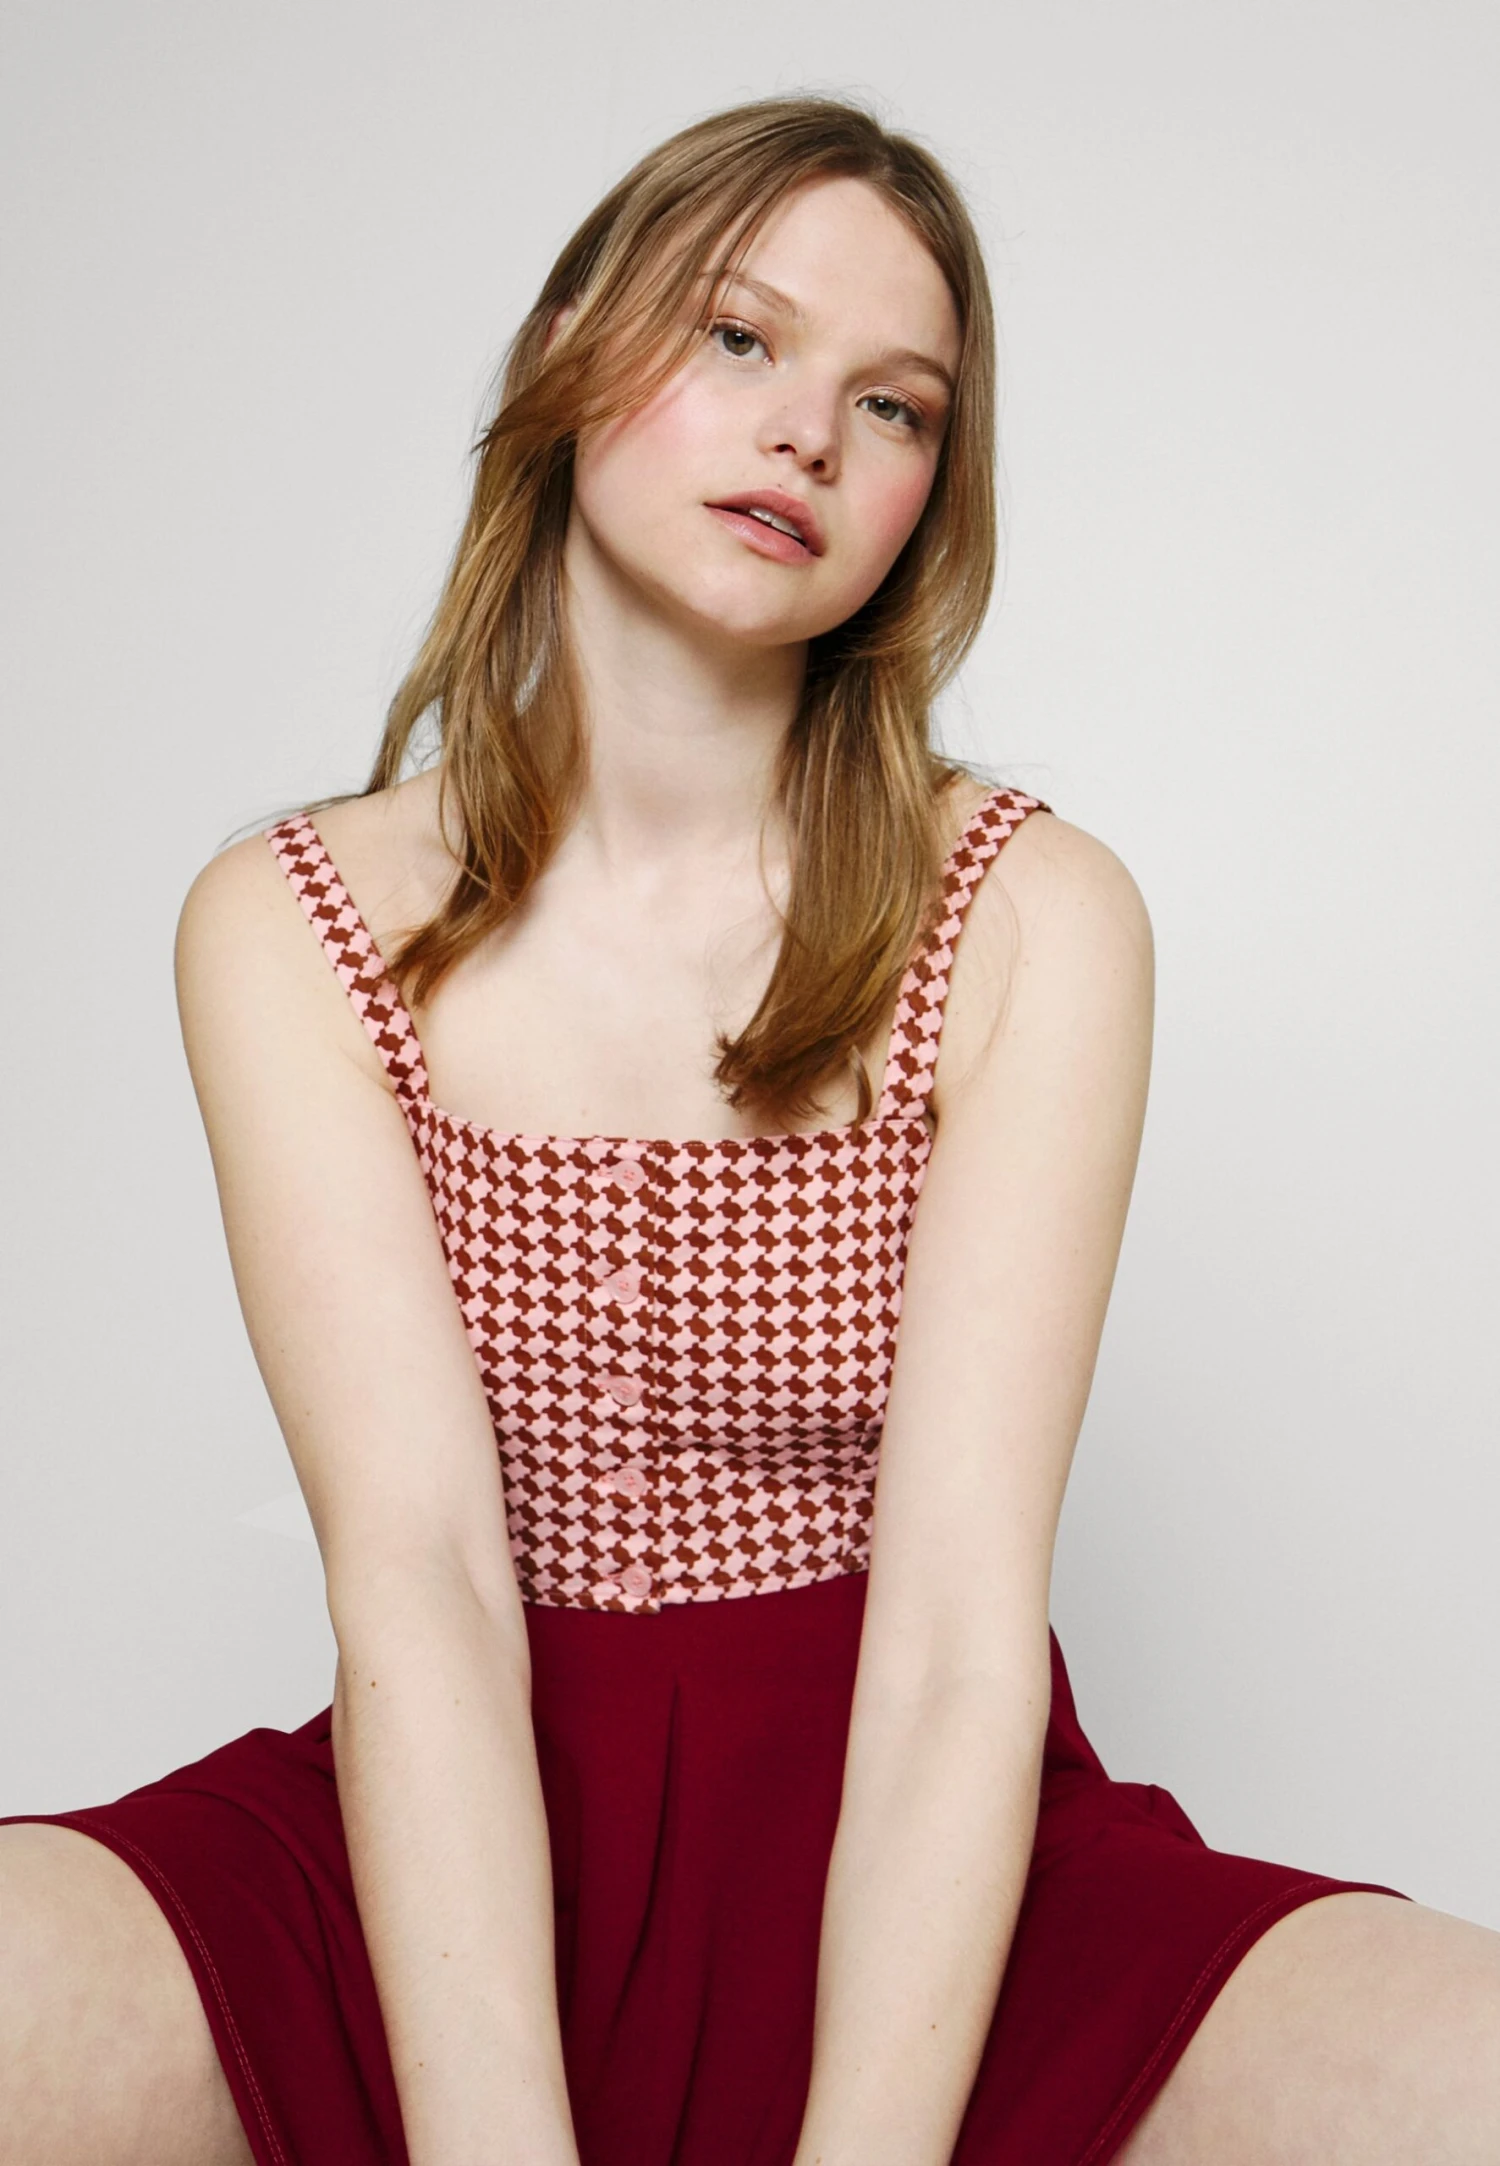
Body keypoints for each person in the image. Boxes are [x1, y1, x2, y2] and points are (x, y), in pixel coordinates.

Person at [2, 93, 1496, 2166]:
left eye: (895, 406)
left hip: (929, 1860)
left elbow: (960, 1638)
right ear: (569, 349)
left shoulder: (1034, 915)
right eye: (740, 337)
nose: (809, 434)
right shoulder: (290, 920)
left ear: (927, 497)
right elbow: (423, 1582)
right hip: (438, 1856)